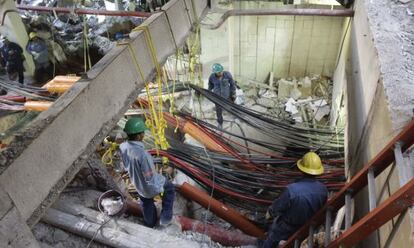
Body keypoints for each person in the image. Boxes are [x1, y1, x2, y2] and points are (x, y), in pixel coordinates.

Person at [261, 152, 328, 248]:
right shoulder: (323, 190)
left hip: (287, 228)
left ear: (301, 170)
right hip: (308, 228)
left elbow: (276, 208)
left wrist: (268, 216)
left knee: (271, 240)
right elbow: (322, 209)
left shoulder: (291, 190)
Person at [119, 117, 175, 227]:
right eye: (143, 132)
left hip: (137, 183)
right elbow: (150, 178)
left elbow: (125, 166)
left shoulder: (123, 146)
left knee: (146, 201)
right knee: (170, 188)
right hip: (149, 185)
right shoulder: (143, 155)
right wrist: (159, 188)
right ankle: (165, 219)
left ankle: (149, 223)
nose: (144, 134)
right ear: (139, 135)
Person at [208, 63, 236, 128]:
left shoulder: (227, 74)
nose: (220, 73)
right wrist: (208, 91)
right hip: (217, 97)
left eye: (221, 72)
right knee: (218, 111)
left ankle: (235, 116)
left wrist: (233, 93)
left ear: (222, 70)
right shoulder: (212, 77)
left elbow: (232, 84)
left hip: (227, 96)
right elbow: (210, 85)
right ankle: (220, 123)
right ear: (215, 72)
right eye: (218, 72)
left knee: (232, 106)